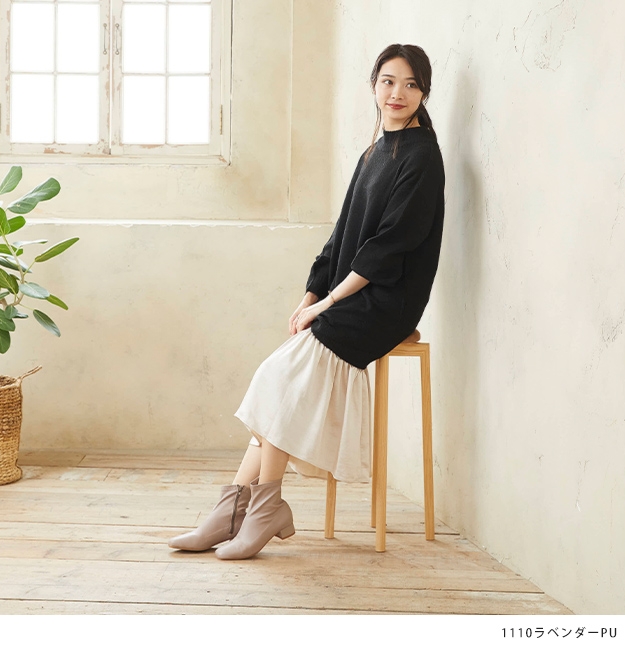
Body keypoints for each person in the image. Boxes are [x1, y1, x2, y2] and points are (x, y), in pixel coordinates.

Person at [169, 43, 445, 560]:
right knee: (282, 382)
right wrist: (311, 294)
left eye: (410, 84)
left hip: (388, 300)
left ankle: (256, 508)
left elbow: (390, 245)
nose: (398, 93)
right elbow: (341, 237)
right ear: (373, 86)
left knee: (279, 379)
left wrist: (327, 304)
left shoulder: (423, 155)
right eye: (388, 81)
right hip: (348, 295)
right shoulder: (374, 153)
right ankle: (237, 510)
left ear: (424, 92)